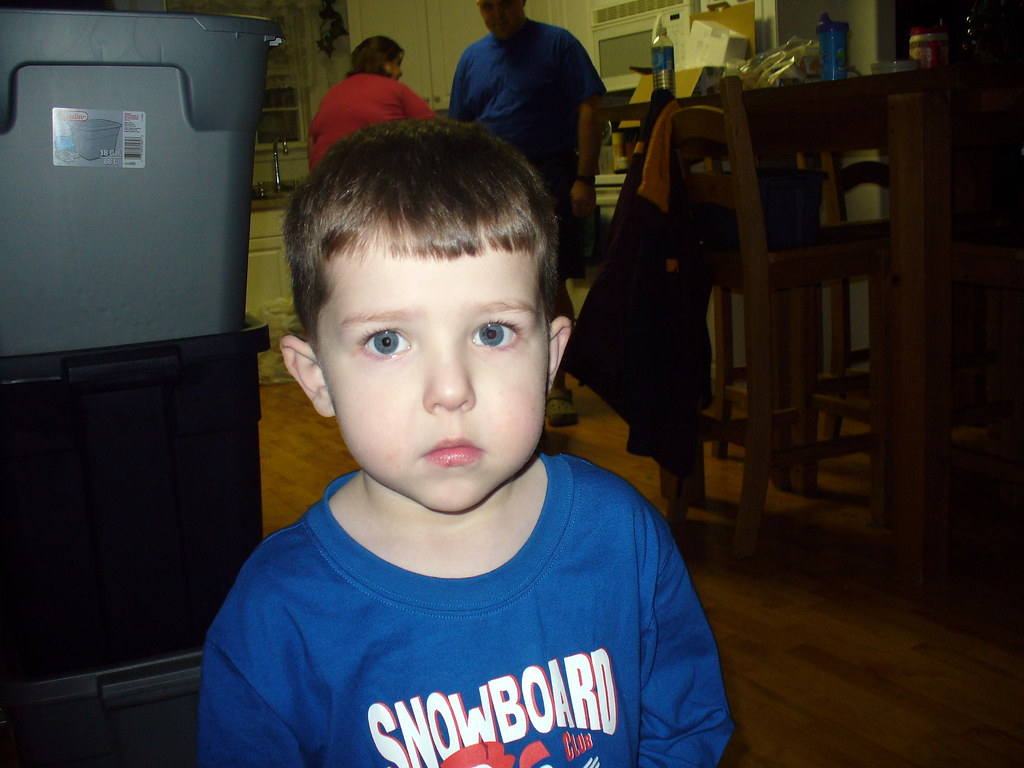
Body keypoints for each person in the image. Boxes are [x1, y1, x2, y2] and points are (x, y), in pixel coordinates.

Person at [196, 119, 733, 768]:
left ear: (551, 356)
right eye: (387, 341)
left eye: (492, 333)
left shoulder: (624, 539)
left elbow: (684, 729)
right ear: (316, 378)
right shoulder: (276, 615)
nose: (450, 391)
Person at [449, 0, 605, 427]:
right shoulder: (471, 59)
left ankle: (558, 388)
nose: (495, 14)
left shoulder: (558, 45)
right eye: (485, 6)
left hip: (550, 178)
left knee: (548, 284)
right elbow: (460, 131)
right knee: (493, 288)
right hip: (490, 184)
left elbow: (589, 110)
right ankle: (504, 385)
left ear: (520, 1)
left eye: (502, 4)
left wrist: (584, 178)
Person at [307, 35, 435, 170]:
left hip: (325, 180)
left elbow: (312, 141)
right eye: (397, 64)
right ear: (385, 64)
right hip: (371, 179)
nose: (400, 72)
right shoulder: (396, 90)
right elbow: (434, 132)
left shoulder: (332, 94)